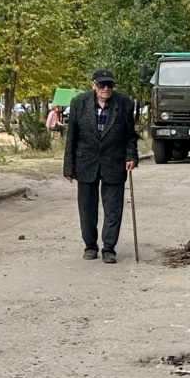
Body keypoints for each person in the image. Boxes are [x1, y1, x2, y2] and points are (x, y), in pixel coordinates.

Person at [62, 69, 139, 263]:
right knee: (87, 208)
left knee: (113, 208)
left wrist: (131, 155)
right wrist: (68, 167)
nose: (106, 88)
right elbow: (71, 137)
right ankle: (90, 245)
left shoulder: (124, 103)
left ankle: (109, 248)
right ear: (93, 85)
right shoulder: (79, 103)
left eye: (110, 85)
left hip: (114, 161)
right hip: (86, 162)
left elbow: (130, 135)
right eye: (102, 85)